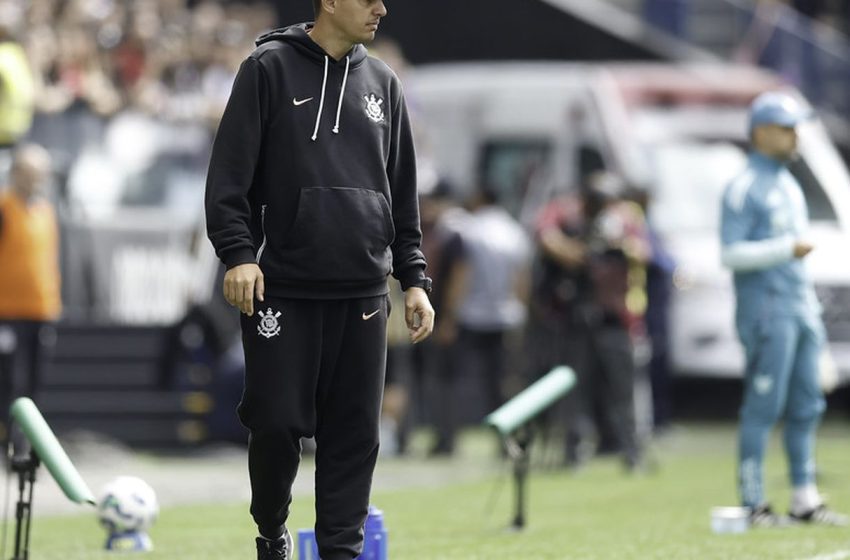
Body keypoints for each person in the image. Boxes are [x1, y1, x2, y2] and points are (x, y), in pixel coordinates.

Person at [204, 1, 435, 559]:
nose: (383, 8)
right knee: (277, 424)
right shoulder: (267, 69)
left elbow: (402, 196)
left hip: (362, 293)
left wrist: (414, 279)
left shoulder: (385, 81)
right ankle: (271, 530)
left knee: (356, 438)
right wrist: (238, 254)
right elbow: (228, 179)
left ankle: (340, 552)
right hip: (281, 289)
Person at [720, 91, 846, 527]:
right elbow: (731, 253)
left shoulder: (788, 183)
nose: (795, 137)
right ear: (761, 132)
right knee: (763, 405)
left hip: (798, 307)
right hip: (766, 310)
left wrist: (813, 316)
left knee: (808, 403)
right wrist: (784, 248)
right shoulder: (743, 187)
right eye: (787, 128)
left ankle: (804, 497)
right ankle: (753, 502)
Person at [534, 172, 649, 470]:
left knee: (621, 392)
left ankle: (631, 452)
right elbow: (554, 244)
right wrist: (582, 250)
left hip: (613, 320)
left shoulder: (624, 229)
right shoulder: (573, 228)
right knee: (575, 390)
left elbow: (642, 254)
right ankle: (573, 451)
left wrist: (618, 244)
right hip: (578, 319)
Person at [433, 186, 531, 455]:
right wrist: (521, 312)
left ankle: (447, 440)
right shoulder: (514, 232)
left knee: (452, 379)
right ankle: (507, 441)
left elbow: (460, 274)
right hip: (505, 316)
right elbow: (521, 278)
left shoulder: (468, 230)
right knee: (502, 383)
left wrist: (449, 317)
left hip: (470, 315)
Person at [0, 144, 60, 452]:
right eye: (32, 173)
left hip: (41, 310)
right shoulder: (4, 207)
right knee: (10, 382)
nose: (38, 180)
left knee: (35, 383)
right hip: (7, 312)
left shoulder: (45, 211)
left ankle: (30, 445)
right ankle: (10, 443)